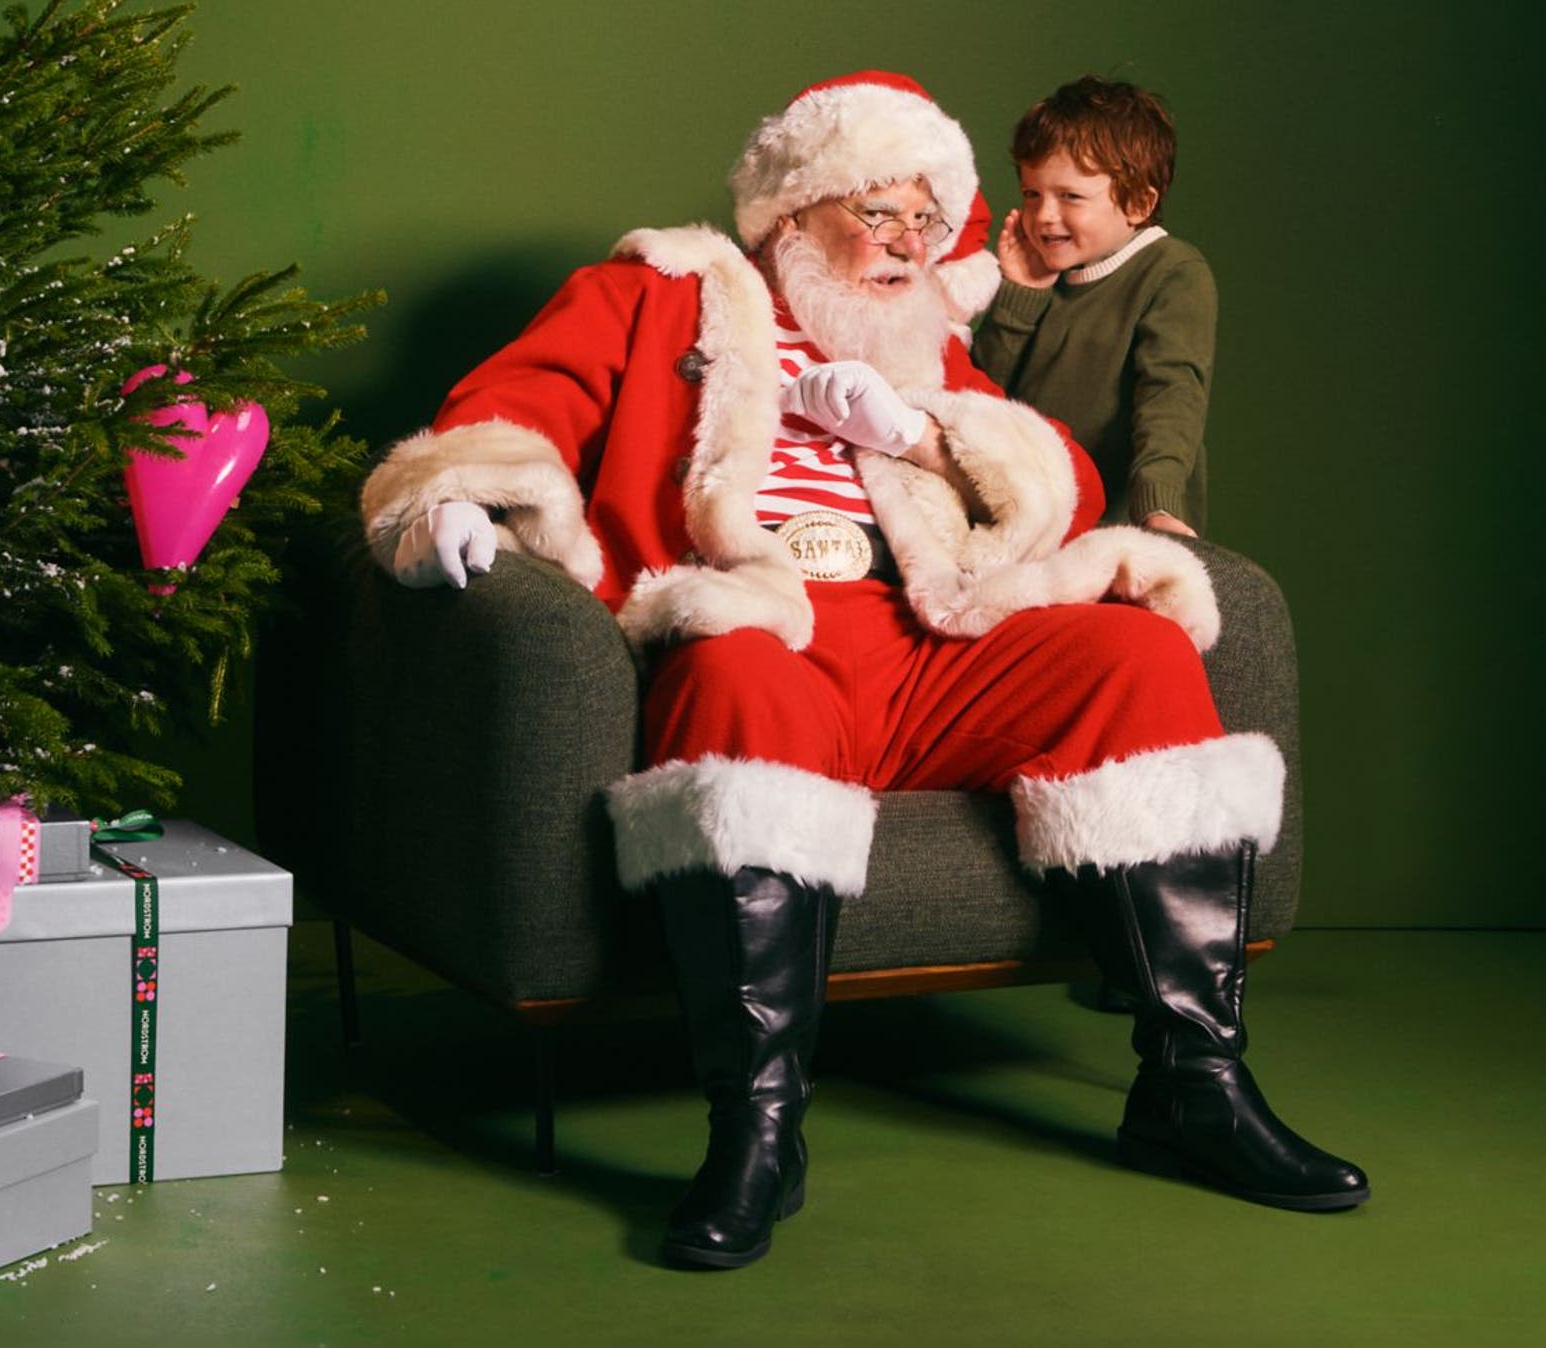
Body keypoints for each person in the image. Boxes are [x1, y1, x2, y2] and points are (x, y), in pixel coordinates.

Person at [359, 71, 1366, 1271]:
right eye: (877, 214)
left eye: (926, 221)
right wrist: (453, 501)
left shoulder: (922, 343)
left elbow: (1064, 493)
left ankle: (1192, 1087)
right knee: (734, 684)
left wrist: (922, 431)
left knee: (1131, 651)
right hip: (764, 625)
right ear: (794, 214)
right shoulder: (656, 290)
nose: (907, 245)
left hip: (925, 642)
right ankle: (758, 1131)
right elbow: (515, 401)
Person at [974, 76, 1216, 535]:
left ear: (1138, 203)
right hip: (1028, 529)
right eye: (1032, 194)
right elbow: (979, 398)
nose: (1044, 215)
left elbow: (1171, 396)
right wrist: (1020, 295)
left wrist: (1159, 508)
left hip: (1124, 530)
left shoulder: (1170, 271)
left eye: (1070, 197)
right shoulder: (1040, 277)